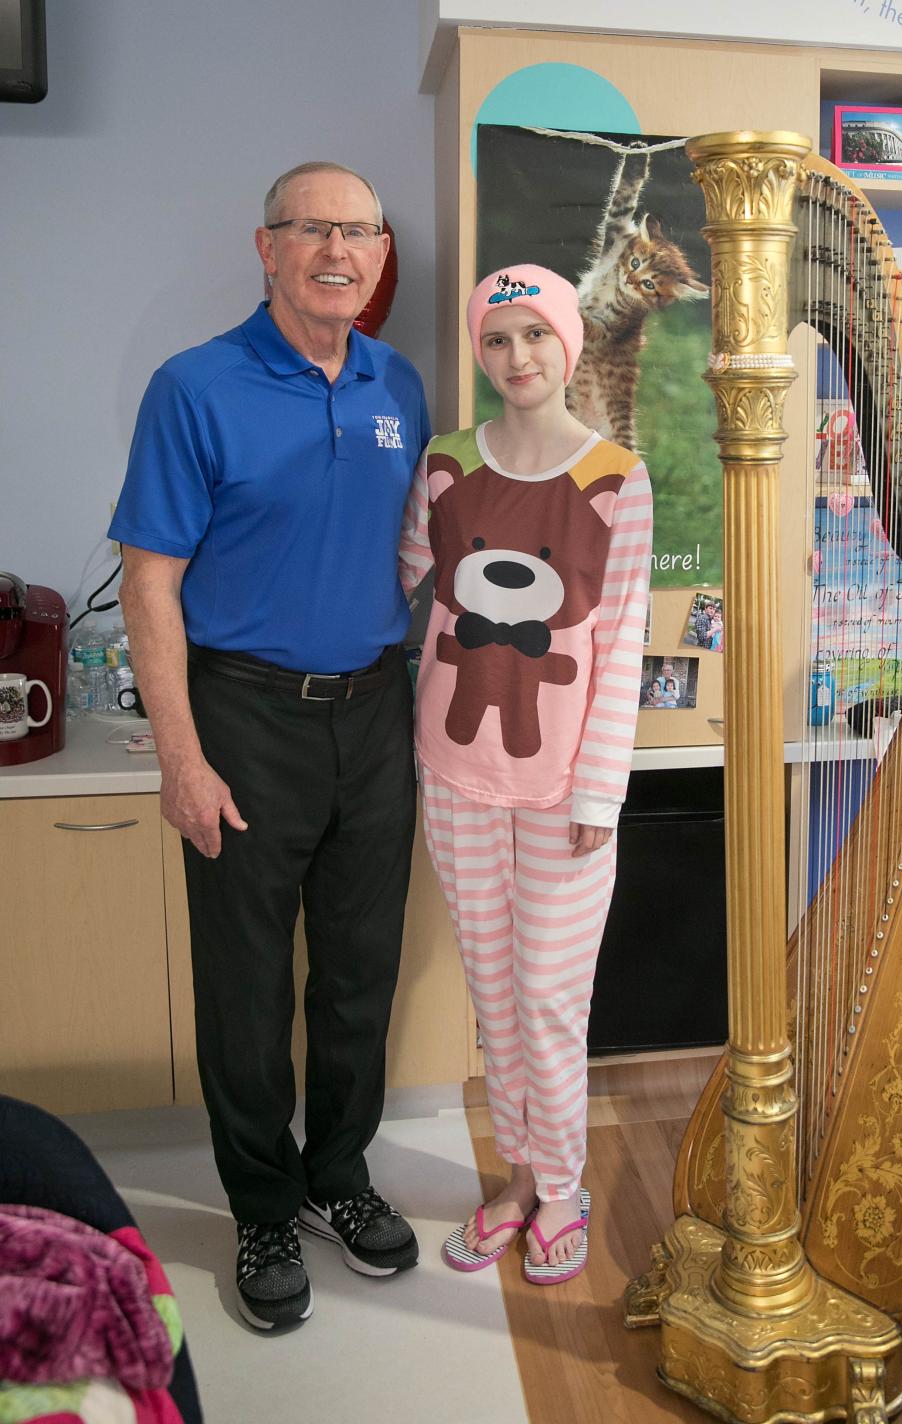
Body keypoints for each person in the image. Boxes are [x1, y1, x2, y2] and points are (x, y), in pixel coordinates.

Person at [109, 162, 428, 1331]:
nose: (339, 250)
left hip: (375, 712)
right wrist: (179, 758)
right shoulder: (194, 387)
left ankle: (338, 1177)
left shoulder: (401, 382)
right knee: (245, 986)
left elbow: (412, 551)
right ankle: (260, 1200)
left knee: (358, 972)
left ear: (381, 256)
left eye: (360, 231)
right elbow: (151, 582)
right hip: (241, 712)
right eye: (314, 229)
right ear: (267, 245)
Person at [399, 264, 652, 1285]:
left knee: (549, 994)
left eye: (534, 336)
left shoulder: (617, 477)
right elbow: (403, 575)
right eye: (497, 339)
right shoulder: (447, 461)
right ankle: (517, 1177)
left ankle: (564, 1184)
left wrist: (600, 789)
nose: (517, 357)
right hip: (455, 769)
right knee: (494, 994)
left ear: (569, 344)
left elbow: (626, 639)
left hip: (566, 788)